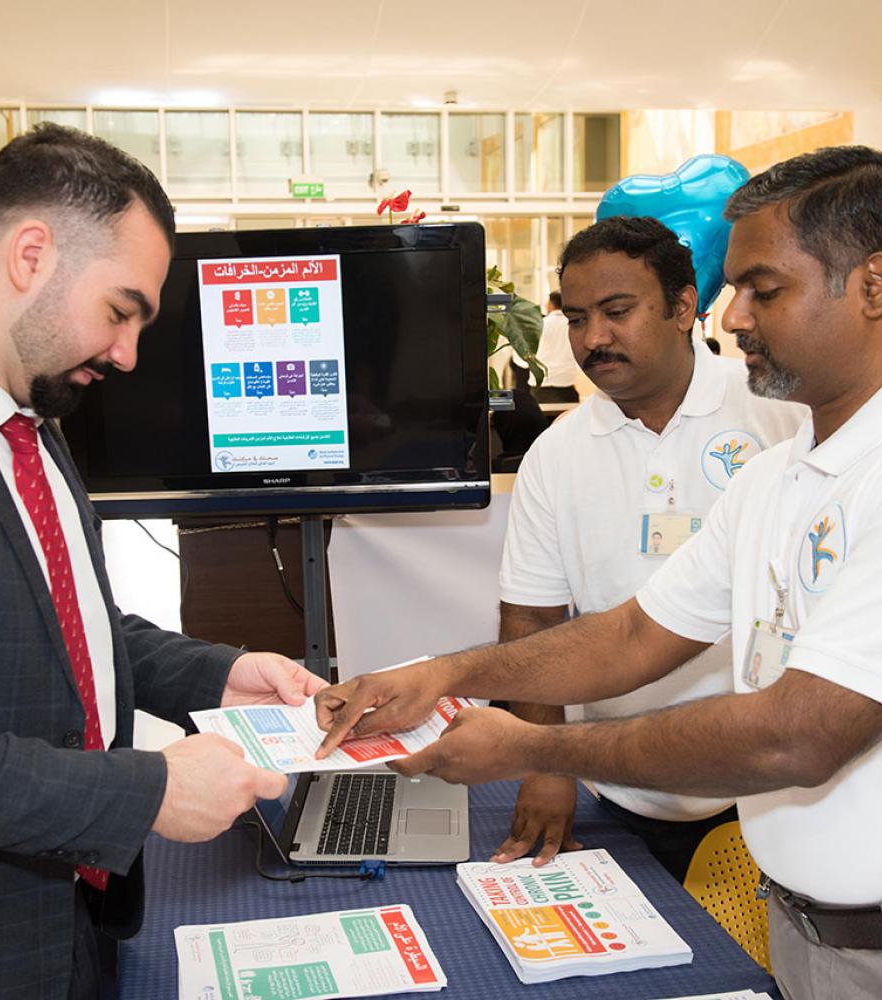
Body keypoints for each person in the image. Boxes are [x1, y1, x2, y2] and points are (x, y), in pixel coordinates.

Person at [314, 145, 882, 1000]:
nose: (733, 317)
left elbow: (797, 734)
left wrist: (535, 746)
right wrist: (443, 674)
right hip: (811, 930)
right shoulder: (779, 476)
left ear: (874, 285)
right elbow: (633, 634)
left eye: (763, 290)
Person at [0, 124, 326, 1000]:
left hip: (73, 920)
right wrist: (146, 792)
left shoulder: (28, 418)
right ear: (31, 255)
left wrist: (217, 674)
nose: (126, 354)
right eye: (121, 312)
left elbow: (67, 625)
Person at [493, 216, 804, 881]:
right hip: (615, 789)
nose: (593, 338)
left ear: (683, 307)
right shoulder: (556, 455)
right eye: (577, 318)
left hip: (777, 791)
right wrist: (547, 765)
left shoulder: (781, 416)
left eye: (617, 311)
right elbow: (532, 619)